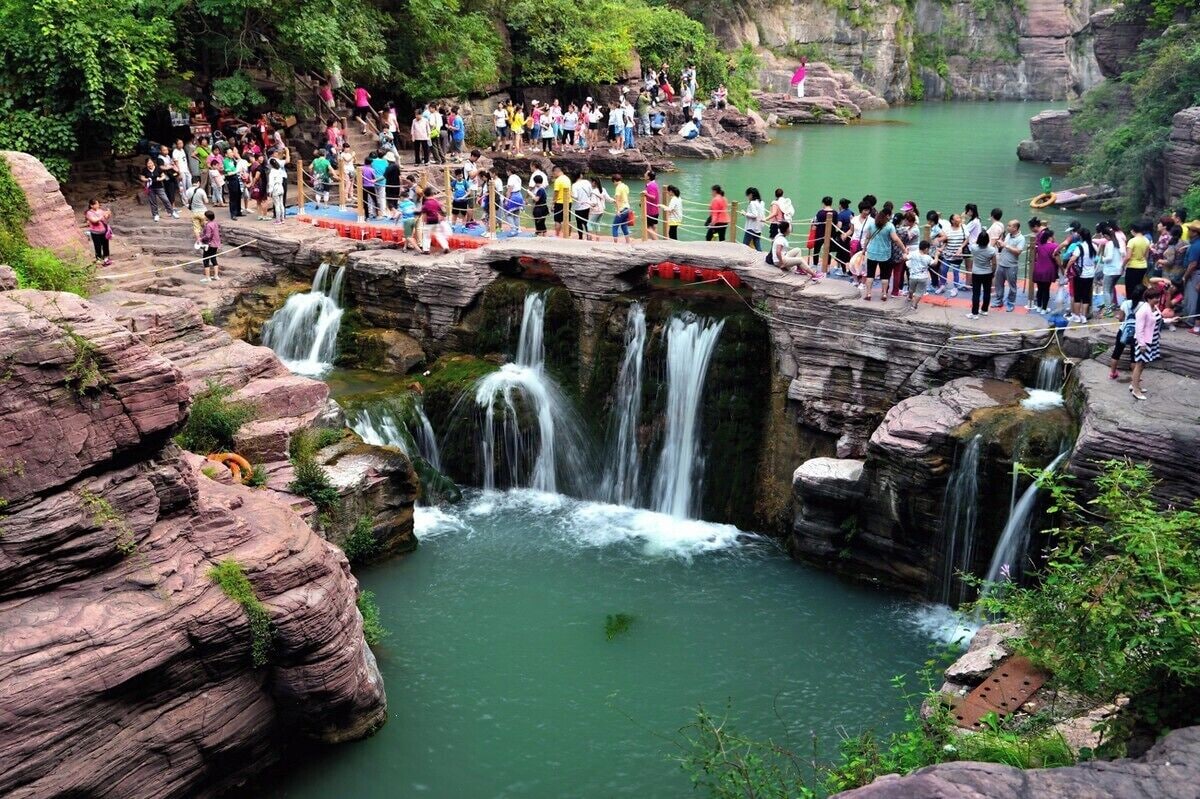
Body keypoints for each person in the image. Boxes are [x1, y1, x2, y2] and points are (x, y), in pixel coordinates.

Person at [1130, 286, 1165, 400]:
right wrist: (1142, 344)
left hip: (1153, 340)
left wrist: (1171, 320)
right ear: (1148, 298)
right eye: (1155, 298)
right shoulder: (1143, 310)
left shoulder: (1154, 307)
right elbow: (1138, 329)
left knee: (1143, 364)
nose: (1157, 300)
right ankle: (1135, 389)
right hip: (1144, 342)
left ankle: (1135, 385)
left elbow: (1159, 320)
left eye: (1158, 297)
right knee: (1139, 364)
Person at [863, 210, 901, 301]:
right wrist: (903, 249)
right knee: (885, 276)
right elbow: (895, 239)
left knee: (870, 274)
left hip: (872, 253)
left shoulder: (871, 224)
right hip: (885, 254)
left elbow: (867, 238)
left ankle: (868, 293)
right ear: (886, 217)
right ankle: (884, 294)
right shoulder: (889, 226)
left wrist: (864, 249)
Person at [990, 220, 1025, 312]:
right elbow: (1004, 247)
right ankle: (998, 301)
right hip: (1001, 264)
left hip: (1011, 266)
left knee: (1012, 286)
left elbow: (1018, 251)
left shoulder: (1021, 238)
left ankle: (1011, 303)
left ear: (1015, 228)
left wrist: (1006, 245)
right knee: (998, 284)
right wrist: (1000, 244)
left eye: (1009, 226)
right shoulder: (1008, 235)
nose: (1007, 227)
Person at [1110, 284, 1144, 379]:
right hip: (1136, 333)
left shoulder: (1125, 303)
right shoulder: (1144, 306)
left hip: (1123, 331)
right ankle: (1135, 378)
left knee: (1117, 352)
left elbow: (1121, 319)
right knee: (1134, 356)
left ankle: (1112, 373)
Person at [933, 213, 967, 296]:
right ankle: (942, 285)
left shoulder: (963, 227)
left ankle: (955, 287)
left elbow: (967, 239)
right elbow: (946, 240)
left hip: (957, 255)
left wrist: (961, 248)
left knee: (956, 272)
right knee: (943, 270)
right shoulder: (947, 229)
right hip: (947, 254)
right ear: (952, 220)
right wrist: (942, 248)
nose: (959, 219)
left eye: (959, 217)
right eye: (957, 218)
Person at [966, 231, 997, 319]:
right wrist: (993, 272)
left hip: (976, 273)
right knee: (987, 292)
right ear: (988, 240)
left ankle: (974, 313)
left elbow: (974, 243)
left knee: (976, 293)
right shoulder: (992, 250)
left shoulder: (974, 248)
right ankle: (984, 310)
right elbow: (994, 264)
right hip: (987, 272)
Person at [1096, 221, 1124, 316]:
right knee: (1111, 289)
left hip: (1110, 270)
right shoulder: (1117, 243)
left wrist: (1102, 258)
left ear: (1106, 236)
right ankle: (1110, 306)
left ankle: (1108, 310)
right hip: (1118, 270)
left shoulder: (1110, 244)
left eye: (1104, 236)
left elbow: (1109, 258)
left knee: (1106, 290)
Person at [1031, 227, 1058, 314]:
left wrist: (1042, 230)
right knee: (1046, 290)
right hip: (1048, 271)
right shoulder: (1054, 246)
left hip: (1038, 270)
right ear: (1050, 237)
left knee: (1040, 289)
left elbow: (1038, 236)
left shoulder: (1039, 245)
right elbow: (1057, 258)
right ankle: (1044, 309)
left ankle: (1039, 306)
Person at [419, 187, 450, 254]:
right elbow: (442, 211)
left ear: (425, 194)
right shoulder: (436, 202)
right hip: (436, 221)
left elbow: (424, 214)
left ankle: (426, 250)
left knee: (426, 236)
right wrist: (443, 217)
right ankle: (445, 247)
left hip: (429, 221)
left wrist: (424, 221)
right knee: (439, 235)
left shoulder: (426, 204)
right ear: (432, 194)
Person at [142, 156, 173, 221]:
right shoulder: (144, 170)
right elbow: (142, 177)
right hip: (150, 188)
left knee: (165, 199)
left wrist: (160, 179)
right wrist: (147, 179)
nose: (150, 164)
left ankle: (171, 212)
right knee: (153, 202)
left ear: (153, 163)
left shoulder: (158, 168)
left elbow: (163, 176)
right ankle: (155, 215)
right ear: (146, 164)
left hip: (159, 187)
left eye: (151, 163)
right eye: (148, 163)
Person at [1123, 221, 1150, 296]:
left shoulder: (1132, 241)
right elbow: (1146, 256)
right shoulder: (1147, 240)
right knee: (1139, 287)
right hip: (1143, 266)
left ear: (1133, 230)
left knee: (1130, 288)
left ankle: (1131, 304)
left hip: (1133, 267)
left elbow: (1128, 257)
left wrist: (1122, 266)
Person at [906, 240, 934, 311]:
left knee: (911, 289)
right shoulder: (928, 257)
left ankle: (910, 297)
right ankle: (914, 305)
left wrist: (905, 251)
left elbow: (905, 258)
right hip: (923, 277)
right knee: (919, 292)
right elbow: (934, 263)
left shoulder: (913, 254)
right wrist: (936, 256)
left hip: (913, 276)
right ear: (926, 249)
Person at [1183, 222, 1200, 334]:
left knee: (1193, 298)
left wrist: (1185, 276)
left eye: (1190, 230)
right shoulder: (1195, 244)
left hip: (1195, 274)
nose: (1188, 232)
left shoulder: (1195, 246)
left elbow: (1193, 264)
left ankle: (1191, 321)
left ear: (1195, 233)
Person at [84, 198, 113, 266]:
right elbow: (94, 221)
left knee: (105, 245)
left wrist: (109, 214)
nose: (98, 205)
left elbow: (105, 218)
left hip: (103, 231)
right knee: (97, 246)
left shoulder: (100, 211)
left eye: (98, 203)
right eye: (96, 204)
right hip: (95, 232)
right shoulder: (89, 213)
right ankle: (98, 258)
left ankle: (106, 257)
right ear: (91, 205)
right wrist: (103, 215)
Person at [811, 196, 835, 267]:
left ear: (823, 203)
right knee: (828, 251)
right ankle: (827, 266)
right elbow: (836, 224)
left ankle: (815, 265)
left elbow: (815, 224)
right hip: (831, 235)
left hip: (820, 234)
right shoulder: (835, 213)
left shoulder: (820, 213)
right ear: (831, 203)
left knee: (816, 250)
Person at [199, 211, 221, 283]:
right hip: (216, 244)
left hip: (209, 244)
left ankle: (208, 278)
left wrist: (201, 239)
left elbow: (208, 236)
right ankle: (216, 276)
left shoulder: (208, 225)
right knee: (213, 258)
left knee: (206, 259)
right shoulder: (215, 223)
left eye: (205, 216)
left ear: (207, 217)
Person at [570, 172, 592, 239]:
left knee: (579, 223)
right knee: (586, 222)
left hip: (579, 207)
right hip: (587, 205)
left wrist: (570, 194)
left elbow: (575, 196)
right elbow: (590, 192)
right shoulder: (587, 182)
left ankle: (580, 237)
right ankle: (589, 236)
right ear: (580, 175)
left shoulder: (574, 185)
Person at [267, 158, 287, 224]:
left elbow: (271, 183)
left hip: (276, 188)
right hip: (281, 187)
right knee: (281, 204)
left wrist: (270, 191)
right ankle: (283, 218)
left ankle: (278, 220)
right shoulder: (279, 170)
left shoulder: (272, 172)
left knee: (277, 204)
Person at [644, 171, 661, 240]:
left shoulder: (651, 185)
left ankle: (656, 242)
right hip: (655, 209)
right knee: (653, 226)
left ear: (648, 177)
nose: (644, 175)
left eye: (645, 174)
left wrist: (646, 193)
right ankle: (656, 241)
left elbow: (653, 197)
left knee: (648, 227)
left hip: (651, 210)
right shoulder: (654, 184)